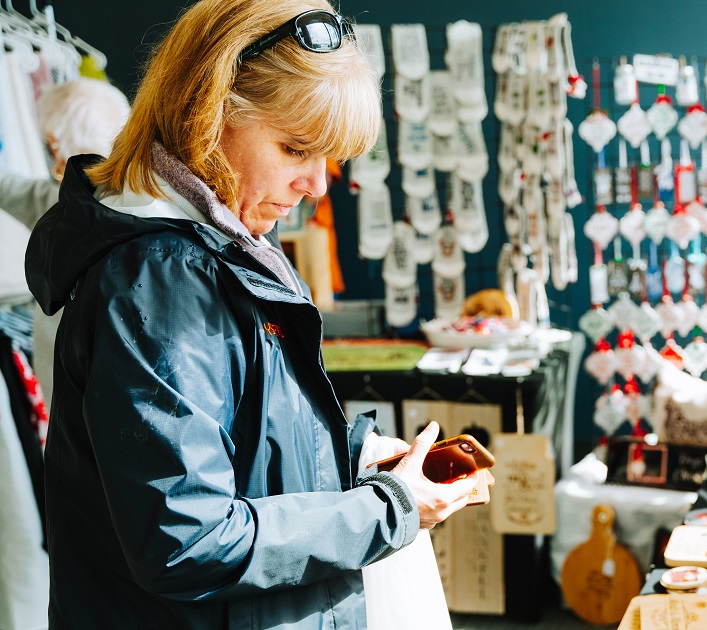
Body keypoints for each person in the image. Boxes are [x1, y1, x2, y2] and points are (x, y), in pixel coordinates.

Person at [23, 1, 482, 627]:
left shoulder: (213, 251)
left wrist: (348, 456)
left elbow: (228, 447)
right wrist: (391, 509)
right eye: (295, 149)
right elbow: (188, 539)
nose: (316, 185)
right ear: (206, 113)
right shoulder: (164, 279)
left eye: (327, 157)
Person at [0, 77, 130, 413]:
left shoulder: (57, 204)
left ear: (54, 143)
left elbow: (8, 187)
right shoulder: (144, 200)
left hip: (69, 389)